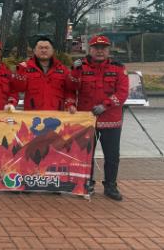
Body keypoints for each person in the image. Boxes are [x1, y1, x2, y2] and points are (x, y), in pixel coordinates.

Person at [71, 35, 129, 200]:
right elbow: (70, 88)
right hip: (87, 119)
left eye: (103, 48)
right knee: (85, 154)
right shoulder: (80, 66)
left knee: (112, 156)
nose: (100, 51)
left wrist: (105, 105)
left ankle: (110, 186)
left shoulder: (118, 68)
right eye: (96, 48)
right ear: (90, 49)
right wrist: (74, 71)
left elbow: (123, 92)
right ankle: (87, 183)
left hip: (111, 119)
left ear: (108, 50)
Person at [13, 37, 77, 112]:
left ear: (52, 50)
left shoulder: (63, 70)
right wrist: (20, 72)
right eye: (40, 48)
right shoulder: (25, 68)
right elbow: (18, 88)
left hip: (56, 114)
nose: (44, 50)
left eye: (47, 48)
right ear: (34, 51)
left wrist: (70, 105)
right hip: (32, 115)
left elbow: (69, 90)